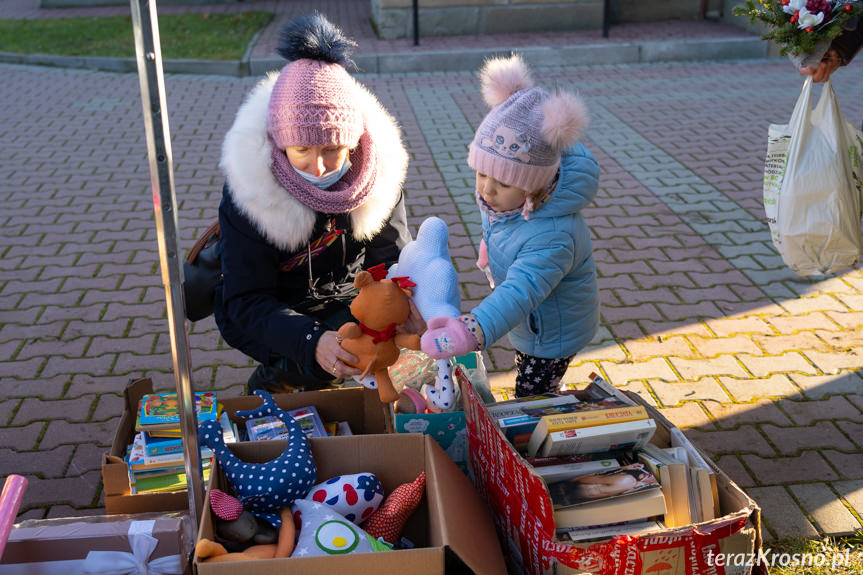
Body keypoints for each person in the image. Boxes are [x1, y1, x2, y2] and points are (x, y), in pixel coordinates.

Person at [214, 14, 414, 394]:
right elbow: (246, 300)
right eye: (301, 149)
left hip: (348, 299)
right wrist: (310, 341)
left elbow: (391, 257)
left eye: (333, 149)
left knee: (368, 346)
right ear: (279, 141)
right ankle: (275, 378)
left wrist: (397, 310)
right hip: (275, 311)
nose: (318, 165)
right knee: (322, 362)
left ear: (354, 143)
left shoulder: (379, 176)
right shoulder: (251, 191)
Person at [420, 54, 600, 398]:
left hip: (552, 334)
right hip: (534, 324)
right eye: (482, 172)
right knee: (534, 379)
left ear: (534, 186)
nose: (487, 188)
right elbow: (502, 228)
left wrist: (470, 331)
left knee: (531, 397)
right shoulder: (511, 205)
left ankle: (552, 435)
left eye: (502, 182)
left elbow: (518, 293)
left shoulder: (554, 236)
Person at [547, 463, 654, 504]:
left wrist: (622, 469)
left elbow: (587, 479)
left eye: (651, 475)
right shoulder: (632, 486)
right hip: (570, 499)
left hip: (568, 489)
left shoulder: (628, 480)